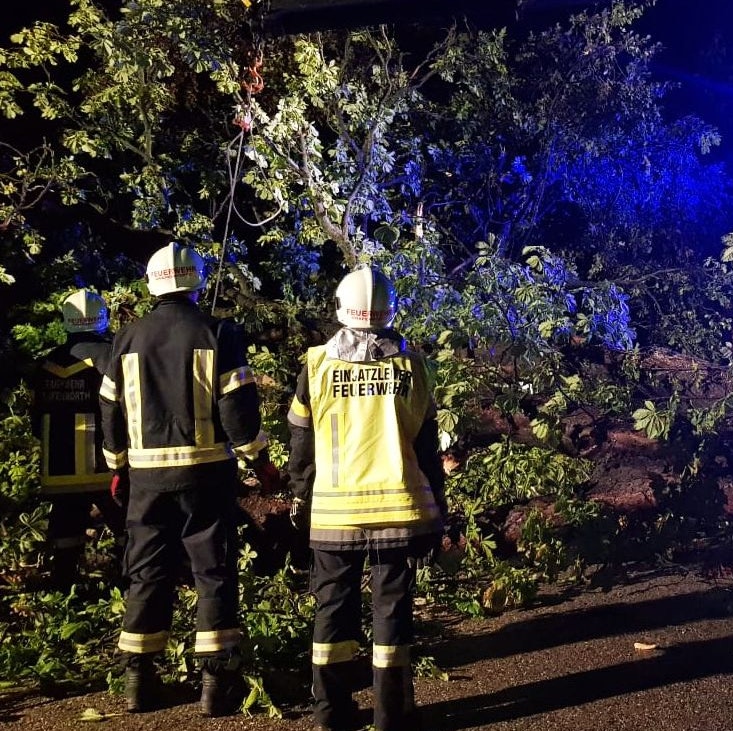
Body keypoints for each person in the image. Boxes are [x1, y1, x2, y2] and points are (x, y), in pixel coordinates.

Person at [99, 242, 279, 716]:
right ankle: (216, 685)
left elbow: (110, 411)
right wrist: (259, 460)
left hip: (146, 480)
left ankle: (139, 679)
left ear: (152, 284)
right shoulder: (219, 333)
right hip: (206, 475)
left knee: (146, 572)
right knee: (212, 571)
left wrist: (117, 467)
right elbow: (237, 409)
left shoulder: (126, 338)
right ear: (197, 281)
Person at [286, 266, 446, 731]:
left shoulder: (317, 365)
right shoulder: (413, 366)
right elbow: (427, 447)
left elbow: (301, 442)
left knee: (332, 611)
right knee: (391, 613)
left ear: (341, 307)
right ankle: (390, 715)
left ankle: (329, 713)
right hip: (398, 510)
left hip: (334, 512)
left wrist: (302, 496)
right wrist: (438, 507)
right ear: (389, 311)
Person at [27, 289, 124, 588]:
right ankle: (129, 585)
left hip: (59, 469)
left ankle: (62, 590)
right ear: (103, 318)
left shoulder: (47, 363)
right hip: (105, 467)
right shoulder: (111, 355)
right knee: (126, 526)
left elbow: (36, 419)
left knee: (66, 530)